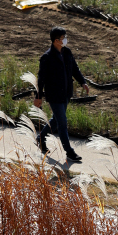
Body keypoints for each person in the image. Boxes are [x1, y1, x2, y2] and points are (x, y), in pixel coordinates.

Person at [34, 26, 88, 164]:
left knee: (56, 120)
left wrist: (83, 82)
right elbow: (41, 79)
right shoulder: (46, 58)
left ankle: (40, 138)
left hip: (66, 93)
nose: (65, 40)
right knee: (62, 123)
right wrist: (38, 96)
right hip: (54, 95)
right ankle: (69, 151)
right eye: (63, 38)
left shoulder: (67, 52)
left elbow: (75, 69)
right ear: (56, 40)